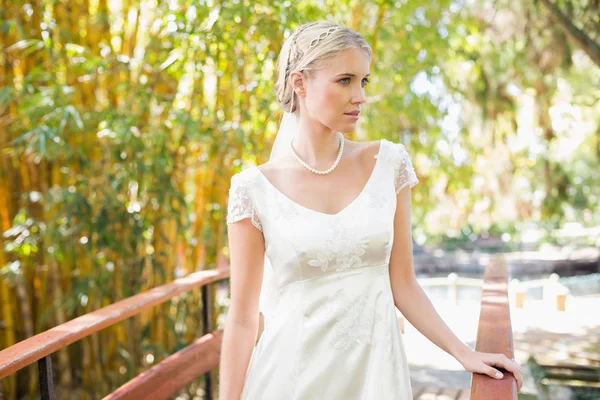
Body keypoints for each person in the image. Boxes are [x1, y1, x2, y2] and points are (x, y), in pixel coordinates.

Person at [219, 20, 523, 399]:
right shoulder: (253, 189)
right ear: (300, 84)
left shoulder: (388, 163)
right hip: (288, 377)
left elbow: (404, 284)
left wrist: (465, 354)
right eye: (344, 80)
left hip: (375, 377)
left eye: (363, 81)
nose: (360, 96)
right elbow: (244, 318)